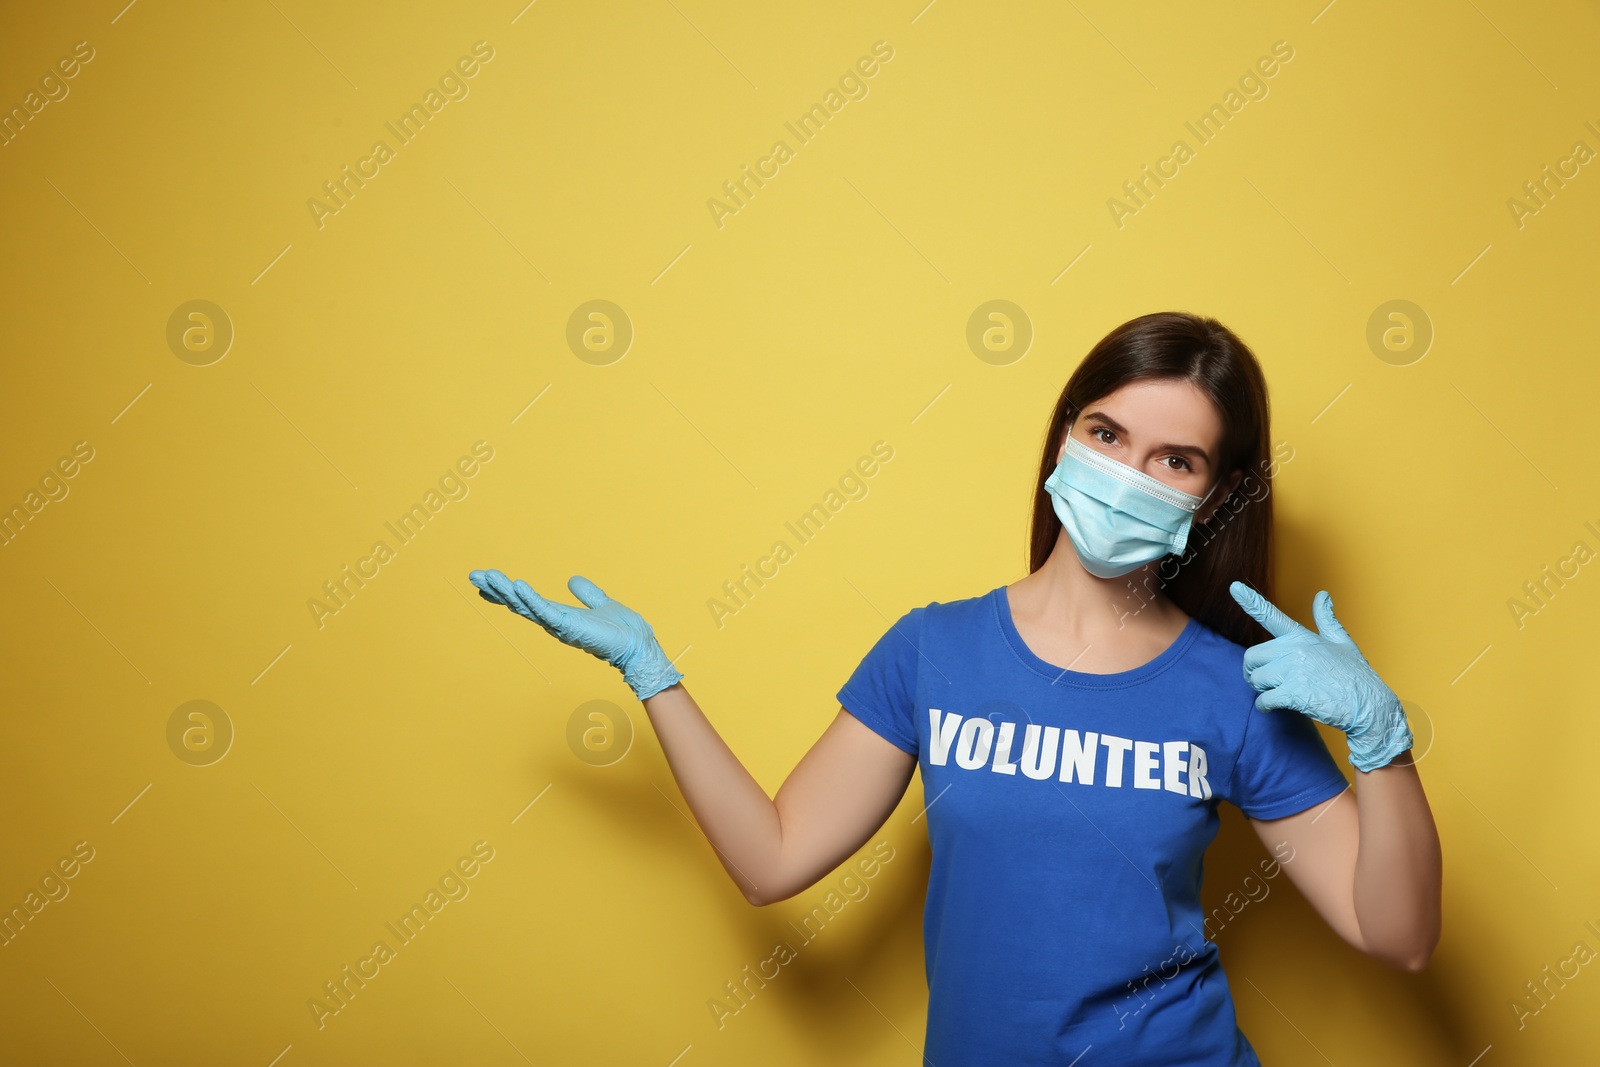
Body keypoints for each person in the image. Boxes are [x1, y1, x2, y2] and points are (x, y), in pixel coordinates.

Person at [468, 310, 1443, 1066]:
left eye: (1173, 459)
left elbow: (1393, 934)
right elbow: (771, 857)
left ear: (1216, 493)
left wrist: (1382, 742)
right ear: (1064, 435)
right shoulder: (932, 650)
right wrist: (654, 674)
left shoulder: (1234, 685)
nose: (1127, 473)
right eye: (1107, 432)